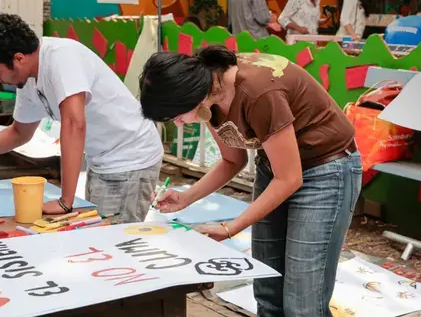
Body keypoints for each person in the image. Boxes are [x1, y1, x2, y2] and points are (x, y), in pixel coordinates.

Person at [139, 46, 361, 317]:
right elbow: (234, 160)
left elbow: (289, 178)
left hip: (326, 168)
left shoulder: (256, 92)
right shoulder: (207, 96)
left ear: (188, 94)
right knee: (267, 288)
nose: (181, 124)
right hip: (275, 167)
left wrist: (231, 227)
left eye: (176, 117)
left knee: (303, 301)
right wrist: (186, 197)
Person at [0, 14, 163, 222]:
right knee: (98, 235)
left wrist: (66, 202)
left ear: (18, 58)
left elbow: (75, 124)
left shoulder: (61, 58)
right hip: (102, 161)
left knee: (116, 243)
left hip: (132, 157)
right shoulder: (28, 79)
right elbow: (18, 133)